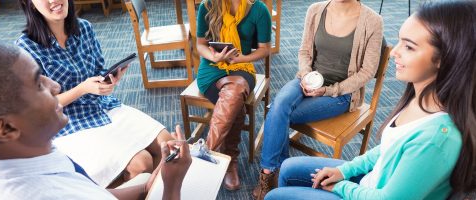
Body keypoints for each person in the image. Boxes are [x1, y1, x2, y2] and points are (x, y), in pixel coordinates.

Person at [265, 1, 476, 199]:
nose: (393, 52)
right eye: (400, 41)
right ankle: (269, 171)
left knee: (273, 196)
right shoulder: (419, 101)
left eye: (409, 47)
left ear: (444, 58)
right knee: (288, 167)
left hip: (370, 192)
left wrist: (342, 186)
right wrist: (344, 170)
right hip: (372, 181)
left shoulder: (437, 139)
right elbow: (387, 148)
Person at [0, 41, 192, 200]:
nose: (55, 86)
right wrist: (172, 186)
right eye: (38, 84)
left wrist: (145, 189)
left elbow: (93, 193)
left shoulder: (24, 154)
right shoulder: (45, 194)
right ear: (6, 128)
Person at [15, 0, 174, 187]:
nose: (54, 1)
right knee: (142, 163)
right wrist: (82, 89)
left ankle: (158, 192)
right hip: (68, 122)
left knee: (169, 144)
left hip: (101, 106)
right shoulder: (25, 48)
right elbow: (38, 107)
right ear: (31, 4)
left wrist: (108, 80)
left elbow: (98, 70)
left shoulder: (84, 28)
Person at [254, 0, 383, 198]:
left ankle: (273, 175)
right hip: (307, 80)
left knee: (277, 112)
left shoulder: (373, 21)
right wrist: (306, 75)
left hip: (340, 94)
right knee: (279, 106)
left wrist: (329, 90)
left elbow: (367, 71)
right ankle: (270, 173)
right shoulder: (315, 10)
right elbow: (305, 51)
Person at [195, 0, 271, 190]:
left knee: (235, 92)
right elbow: (200, 45)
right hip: (212, 69)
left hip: (242, 67)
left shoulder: (258, 9)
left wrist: (241, 58)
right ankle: (229, 159)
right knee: (236, 103)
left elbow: (265, 48)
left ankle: (206, 152)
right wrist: (214, 57)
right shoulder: (208, 5)